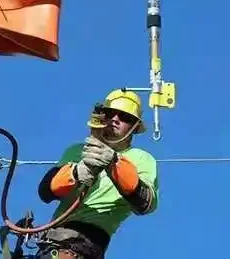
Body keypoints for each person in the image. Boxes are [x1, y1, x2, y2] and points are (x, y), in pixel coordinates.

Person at [35, 89, 159, 259]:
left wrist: (113, 163)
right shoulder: (77, 151)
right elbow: (45, 192)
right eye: (110, 113)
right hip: (52, 243)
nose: (115, 119)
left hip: (87, 246)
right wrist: (76, 173)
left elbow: (145, 203)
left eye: (124, 117)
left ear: (135, 127)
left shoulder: (140, 159)